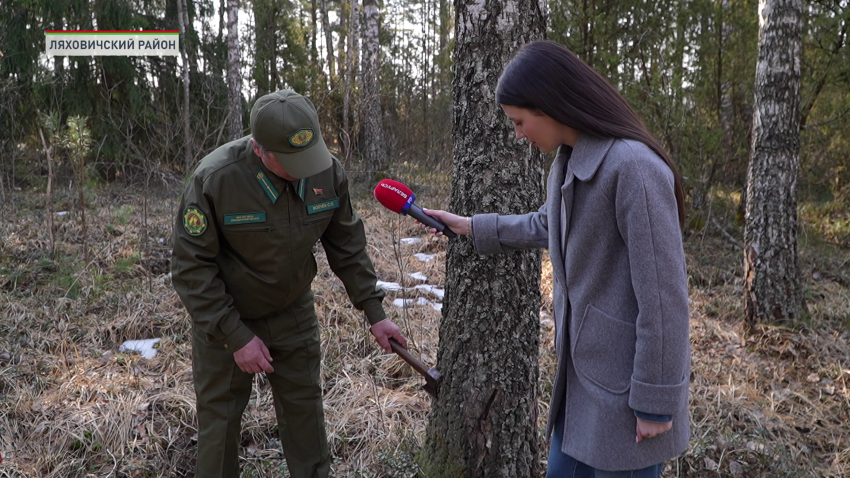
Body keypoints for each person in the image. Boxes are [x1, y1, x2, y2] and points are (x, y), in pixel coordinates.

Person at [424, 40, 690, 477]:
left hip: (628, 400)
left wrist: (655, 403)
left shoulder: (634, 168)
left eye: (519, 121)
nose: (518, 134)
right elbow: (551, 224)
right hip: (581, 387)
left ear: (548, 106)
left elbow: (665, 299)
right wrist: (471, 226)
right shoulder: (569, 159)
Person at [171, 89, 407, 478]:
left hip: (292, 310)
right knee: (220, 420)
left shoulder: (326, 172)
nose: (305, 170)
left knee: (305, 413)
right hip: (226, 317)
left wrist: (375, 312)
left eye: (308, 157)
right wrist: (235, 337)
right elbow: (190, 268)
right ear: (258, 149)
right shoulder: (216, 180)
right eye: (291, 162)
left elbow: (347, 247)